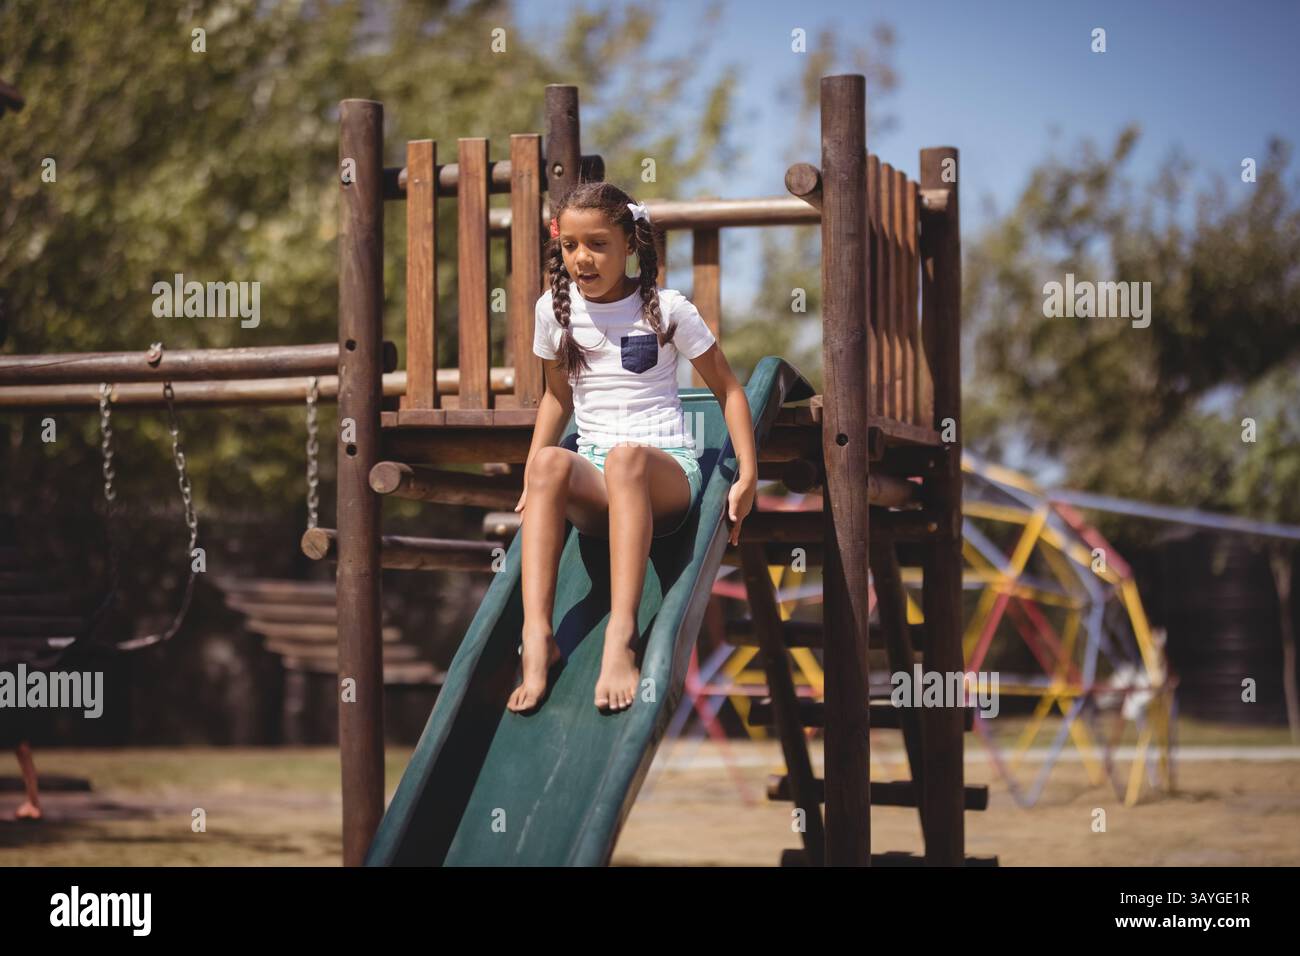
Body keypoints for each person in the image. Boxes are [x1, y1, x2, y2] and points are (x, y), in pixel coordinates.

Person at [511, 181, 757, 714]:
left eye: (598, 244)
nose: (583, 258)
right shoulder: (553, 311)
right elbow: (557, 400)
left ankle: (621, 637)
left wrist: (748, 475)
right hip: (597, 477)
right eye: (571, 246)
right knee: (551, 461)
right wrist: (535, 476)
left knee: (625, 458)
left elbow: (730, 391)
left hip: (662, 472)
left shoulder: (666, 309)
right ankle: (537, 636)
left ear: (630, 245)